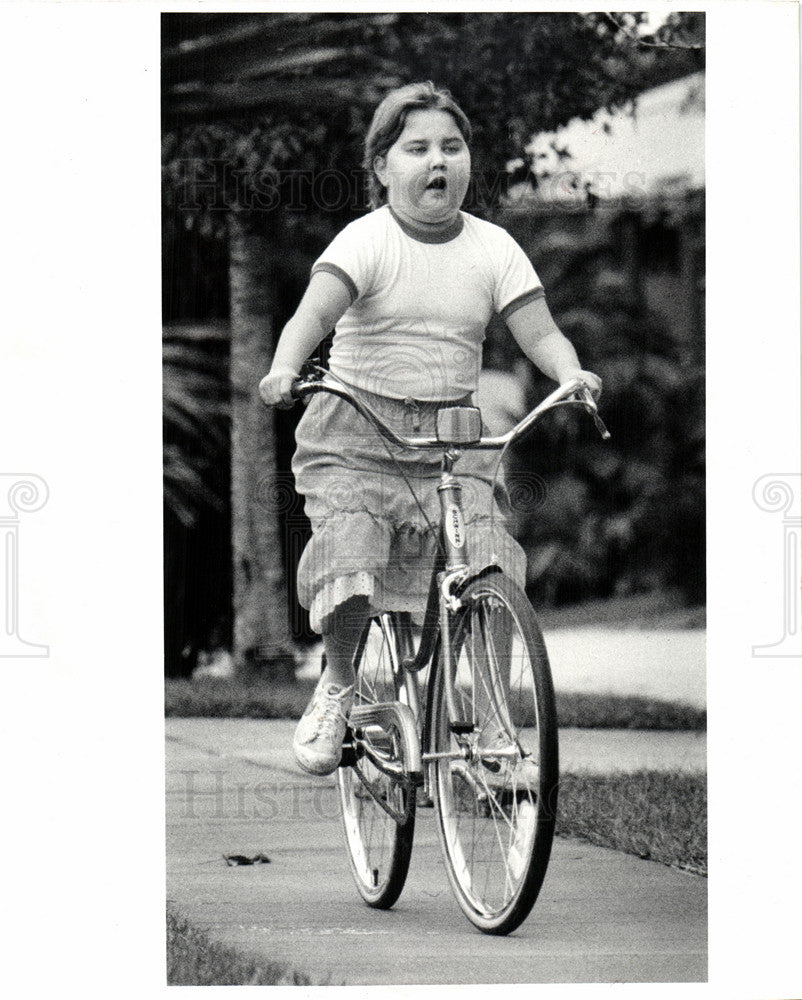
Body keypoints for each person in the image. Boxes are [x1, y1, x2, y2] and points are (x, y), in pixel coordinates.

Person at [259, 81, 600, 776]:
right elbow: (311, 318)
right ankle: (340, 683)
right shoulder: (367, 240)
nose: (436, 160)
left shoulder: (494, 248)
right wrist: (285, 366)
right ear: (382, 166)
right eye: (416, 148)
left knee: (491, 559)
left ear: (469, 161)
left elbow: (542, 333)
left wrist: (571, 372)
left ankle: (493, 735)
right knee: (352, 552)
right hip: (356, 429)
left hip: (452, 438)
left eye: (452, 145)